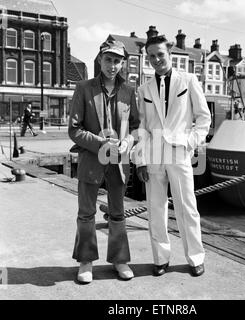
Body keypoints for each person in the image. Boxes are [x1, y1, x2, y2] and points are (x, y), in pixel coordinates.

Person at [135, 35, 211, 277]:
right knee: (155, 209)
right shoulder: (143, 89)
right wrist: (141, 160)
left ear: (169, 53)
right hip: (154, 155)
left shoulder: (188, 80)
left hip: (180, 154)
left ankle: (195, 258)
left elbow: (203, 118)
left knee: (187, 208)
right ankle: (160, 259)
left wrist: (190, 143)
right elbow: (142, 128)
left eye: (160, 54)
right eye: (152, 56)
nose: (157, 59)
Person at [68, 40, 139, 284]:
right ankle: (86, 262)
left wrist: (128, 141)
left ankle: (120, 260)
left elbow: (137, 128)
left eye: (117, 61)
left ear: (122, 64)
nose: (112, 65)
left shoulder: (130, 92)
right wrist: (101, 143)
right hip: (91, 159)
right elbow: (74, 130)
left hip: (119, 162)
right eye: (108, 59)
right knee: (86, 212)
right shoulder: (83, 88)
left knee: (118, 213)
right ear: (99, 59)